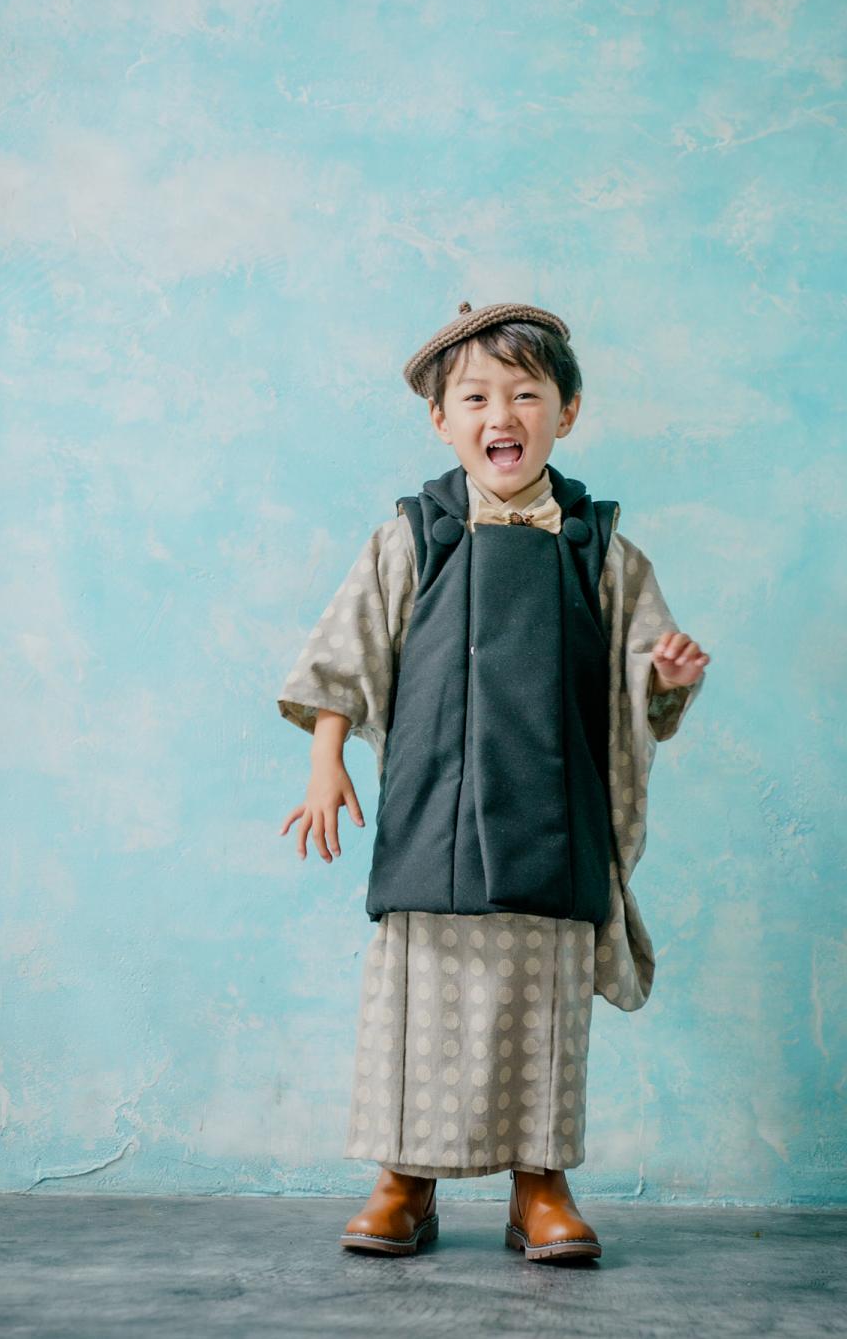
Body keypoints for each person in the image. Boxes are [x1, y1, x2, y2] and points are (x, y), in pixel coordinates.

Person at [276, 299, 709, 1261]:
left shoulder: (600, 548)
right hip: (431, 809)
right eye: (474, 397)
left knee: (540, 1003)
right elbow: (349, 650)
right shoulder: (413, 537)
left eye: (525, 394)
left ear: (567, 410)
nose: (500, 415)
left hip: (552, 816)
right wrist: (325, 756)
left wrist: (664, 677)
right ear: (441, 419)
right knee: (418, 1002)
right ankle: (404, 1179)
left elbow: (642, 664)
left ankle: (540, 1184)